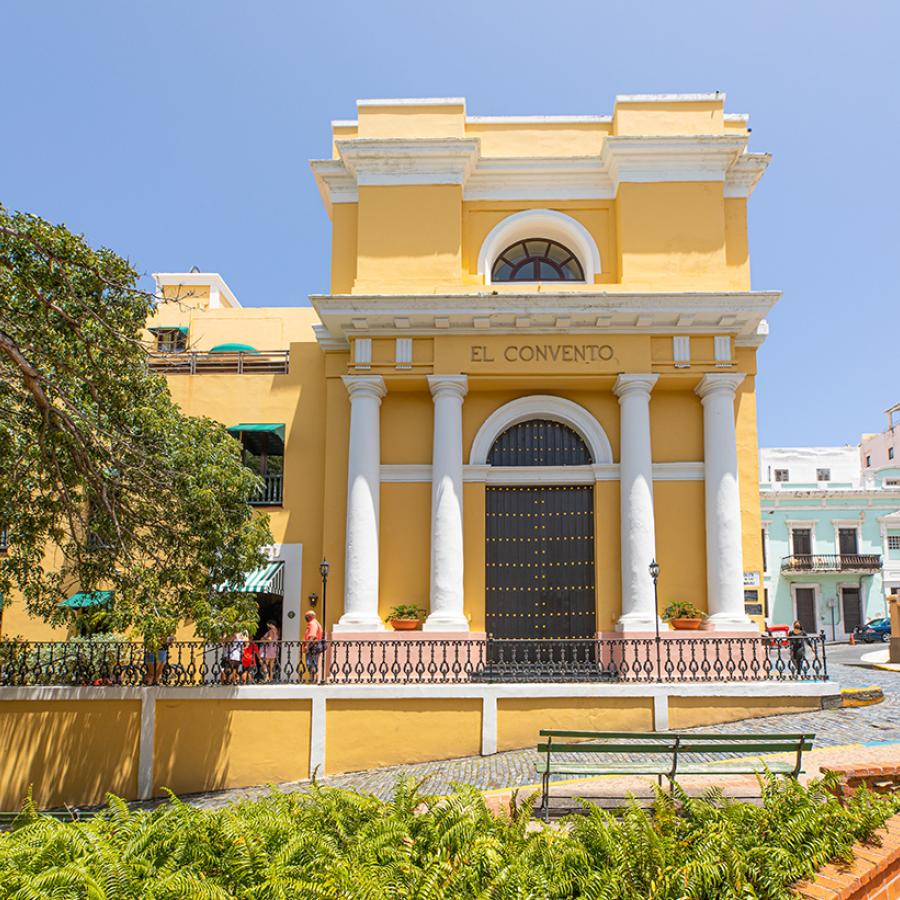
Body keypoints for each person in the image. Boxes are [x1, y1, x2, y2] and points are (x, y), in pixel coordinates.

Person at [303, 611, 324, 682]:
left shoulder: (312, 623)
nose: (305, 618)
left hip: (312, 646)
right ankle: (314, 679)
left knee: (311, 663)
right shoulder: (316, 623)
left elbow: (312, 636)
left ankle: (313, 679)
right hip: (315, 645)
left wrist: (307, 646)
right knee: (314, 662)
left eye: (306, 616)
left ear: (310, 616)